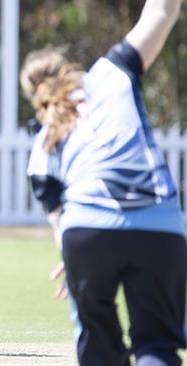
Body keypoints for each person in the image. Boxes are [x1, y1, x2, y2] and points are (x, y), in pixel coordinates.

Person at [22, 1, 186, 365]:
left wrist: (75, 262)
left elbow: (59, 222)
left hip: (87, 232)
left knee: (99, 351)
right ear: (69, 69)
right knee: (156, 348)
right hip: (159, 226)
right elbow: (161, 13)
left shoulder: (41, 141)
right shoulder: (115, 71)